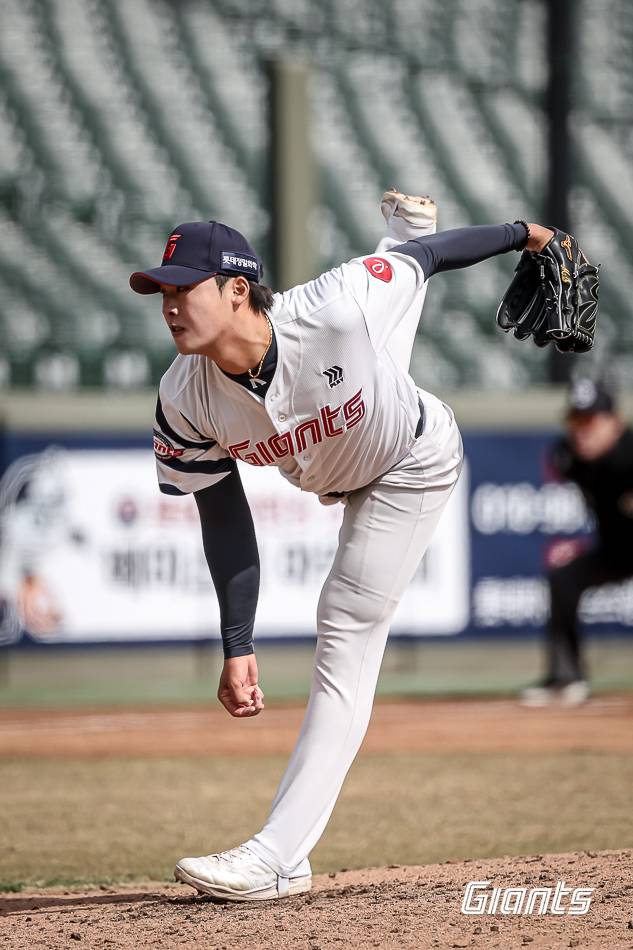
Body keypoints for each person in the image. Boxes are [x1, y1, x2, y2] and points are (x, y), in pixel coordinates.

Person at [129, 193, 555, 901]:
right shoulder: (184, 397)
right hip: (340, 451)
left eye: (182, 288)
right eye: (160, 291)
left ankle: (277, 856)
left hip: (410, 462)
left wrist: (525, 234)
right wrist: (238, 642)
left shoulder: (329, 305)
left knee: (344, 633)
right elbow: (223, 517)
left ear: (237, 289)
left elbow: (428, 261)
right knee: (369, 358)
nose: (169, 304)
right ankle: (401, 223)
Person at [520, 378, 633, 707]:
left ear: (615, 423)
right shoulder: (568, 456)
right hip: (615, 551)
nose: (582, 430)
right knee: (563, 576)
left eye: (591, 421)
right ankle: (566, 678)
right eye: (576, 420)